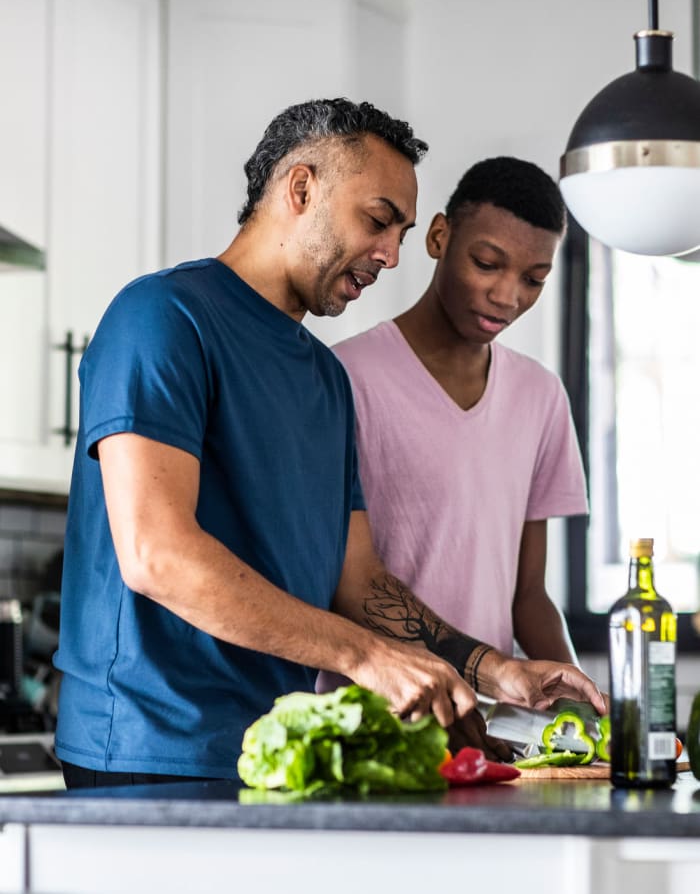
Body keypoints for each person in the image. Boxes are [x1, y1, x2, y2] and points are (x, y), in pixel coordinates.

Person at [53, 101, 604, 789]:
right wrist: (370, 659)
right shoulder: (163, 317)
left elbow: (360, 581)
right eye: (377, 221)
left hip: (281, 754)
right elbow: (157, 555)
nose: (391, 255)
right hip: (145, 755)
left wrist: (492, 669)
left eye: (401, 232)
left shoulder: (324, 377)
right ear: (301, 188)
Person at [329, 156, 585, 676]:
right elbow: (339, 580)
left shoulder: (541, 396)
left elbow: (528, 597)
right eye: (487, 263)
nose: (507, 296)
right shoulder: (343, 377)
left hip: (494, 726)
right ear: (439, 237)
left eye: (534, 279)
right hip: (375, 719)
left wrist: (589, 710)